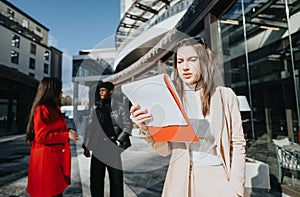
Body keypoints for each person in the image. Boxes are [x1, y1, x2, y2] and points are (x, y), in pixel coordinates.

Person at [130, 36, 246, 197]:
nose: (185, 67)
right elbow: (164, 149)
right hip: (180, 182)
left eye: (192, 60)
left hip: (218, 180)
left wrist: (236, 187)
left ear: (204, 62)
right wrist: (145, 127)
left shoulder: (225, 96)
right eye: (180, 61)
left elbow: (237, 144)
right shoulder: (171, 99)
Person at [25, 77, 79, 197]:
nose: (62, 93)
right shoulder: (42, 109)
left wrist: (68, 131)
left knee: (56, 192)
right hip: (46, 163)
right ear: (52, 91)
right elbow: (42, 136)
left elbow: (53, 129)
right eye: (60, 90)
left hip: (53, 160)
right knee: (49, 192)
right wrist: (66, 135)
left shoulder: (53, 109)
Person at [82, 81, 132, 197]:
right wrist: (86, 146)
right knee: (96, 180)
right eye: (99, 90)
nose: (100, 92)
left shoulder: (120, 107)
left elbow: (127, 125)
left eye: (103, 90)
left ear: (111, 92)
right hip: (98, 147)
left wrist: (119, 141)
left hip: (113, 146)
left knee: (116, 181)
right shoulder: (95, 107)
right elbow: (89, 127)